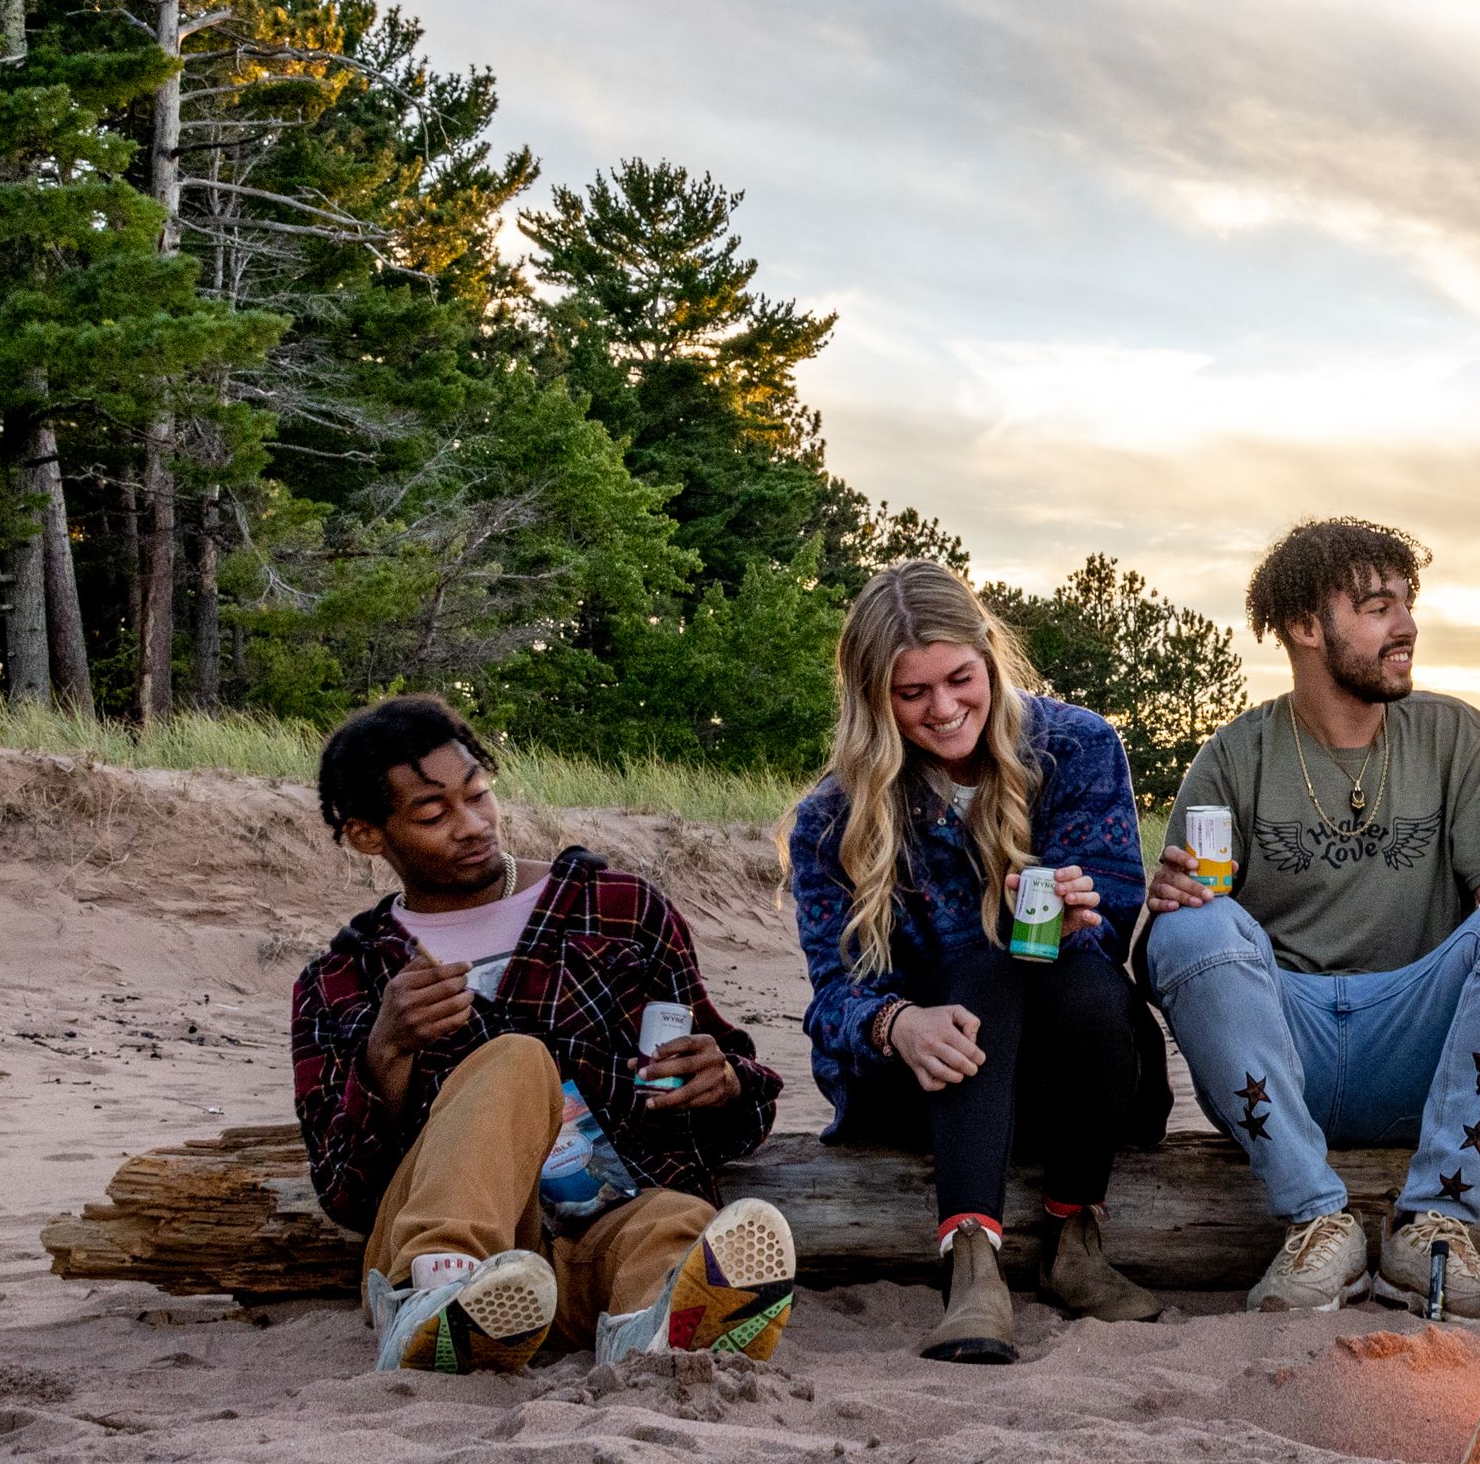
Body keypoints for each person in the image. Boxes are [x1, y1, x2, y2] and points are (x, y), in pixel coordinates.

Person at [1143, 517, 1480, 1319]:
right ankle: (1316, 1223)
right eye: (1378, 607)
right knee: (1189, 928)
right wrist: (1167, 903)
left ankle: (1436, 1224)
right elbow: (1182, 943)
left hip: (1416, 1039)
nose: (1406, 624)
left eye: (1408, 604)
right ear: (1306, 627)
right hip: (1284, 1047)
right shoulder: (1236, 754)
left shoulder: (1454, 734)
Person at [290, 694, 801, 1373]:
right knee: (515, 1062)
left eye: (479, 795)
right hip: (430, 1245)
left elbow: (731, 1123)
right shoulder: (347, 978)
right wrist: (385, 1052)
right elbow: (346, 1196)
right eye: (434, 814)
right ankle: (435, 1296)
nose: (472, 825)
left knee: (675, 1221)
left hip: (587, 1259)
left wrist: (725, 1083)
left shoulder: (616, 910)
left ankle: (653, 1332)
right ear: (366, 835)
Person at [786, 563, 1172, 1365]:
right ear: (873, 699)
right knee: (978, 974)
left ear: (990, 658)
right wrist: (895, 1024)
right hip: (923, 1082)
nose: (944, 708)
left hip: (1071, 1073)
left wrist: (1077, 921)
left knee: (1073, 977)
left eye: (960, 678)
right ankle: (971, 1261)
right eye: (912, 693)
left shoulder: (1078, 747)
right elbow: (833, 997)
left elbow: (1116, 921)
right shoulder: (832, 817)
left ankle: (1076, 1236)